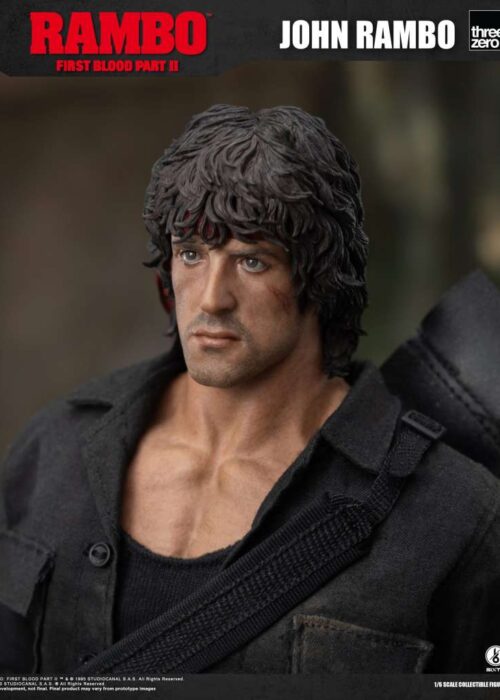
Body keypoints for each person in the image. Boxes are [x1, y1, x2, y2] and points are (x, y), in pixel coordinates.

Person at [0, 104, 499, 675]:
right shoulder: (56, 447)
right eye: (191, 254)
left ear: (319, 279)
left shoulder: (453, 512)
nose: (212, 298)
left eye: (252, 261)